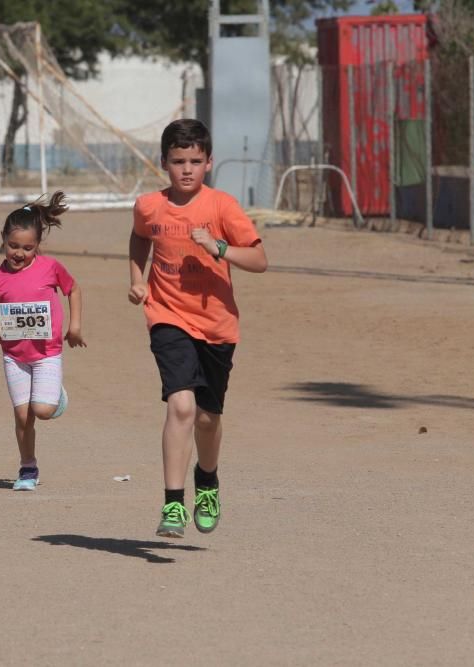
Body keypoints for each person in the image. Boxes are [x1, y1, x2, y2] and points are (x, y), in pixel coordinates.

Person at [127, 119, 268, 538]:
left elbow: (260, 260)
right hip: (167, 316)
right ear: (164, 163)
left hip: (218, 326)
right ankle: (173, 505)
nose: (186, 169)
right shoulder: (149, 206)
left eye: (194, 161)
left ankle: (207, 481)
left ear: (208, 162)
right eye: (177, 161)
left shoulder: (222, 206)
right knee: (181, 406)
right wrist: (136, 278)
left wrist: (220, 247)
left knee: (208, 419)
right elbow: (139, 238)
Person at [0, 192, 85, 491]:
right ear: (2, 240)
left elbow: (74, 289)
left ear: (38, 246)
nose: (19, 253)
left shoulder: (49, 268)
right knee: (22, 416)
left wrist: (74, 327)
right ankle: (28, 467)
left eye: (28, 247)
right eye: (13, 246)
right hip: (14, 355)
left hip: (46, 352)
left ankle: (54, 397)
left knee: (42, 411)